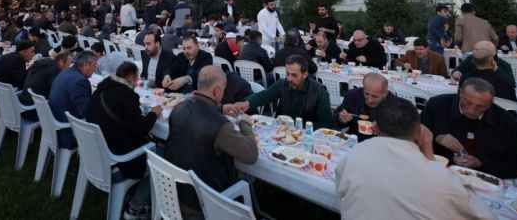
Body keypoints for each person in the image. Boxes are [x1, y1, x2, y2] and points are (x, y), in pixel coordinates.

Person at [336, 97, 493, 220]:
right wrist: (428, 151)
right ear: (420, 132)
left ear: (374, 128)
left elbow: (341, 192)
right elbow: (483, 215)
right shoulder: (441, 179)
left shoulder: (354, 154)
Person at [164, 66, 258, 218]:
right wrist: (244, 122)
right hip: (204, 202)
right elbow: (251, 155)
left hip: (173, 191)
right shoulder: (221, 126)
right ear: (217, 91)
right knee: (245, 177)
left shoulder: (178, 107)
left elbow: (199, 110)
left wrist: (220, 108)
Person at [86, 62, 161, 219]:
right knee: (161, 155)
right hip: (118, 159)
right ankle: (136, 205)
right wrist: (154, 113)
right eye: (136, 80)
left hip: (97, 151)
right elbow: (141, 129)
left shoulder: (102, 88)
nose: (136, 84)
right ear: (132, 78)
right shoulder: (127, 96)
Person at [421, 77, 517, 179]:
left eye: (480, 107)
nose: (471, 110)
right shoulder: (437, 106)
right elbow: (412, 144)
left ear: (490, 104)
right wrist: (435, 138)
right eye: (467, 103)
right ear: (460, 93)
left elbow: (516, 168)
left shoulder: (506, 121)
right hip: (439, 174)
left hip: (484, 181)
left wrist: (480, 164)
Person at [235, 55, 334, 128]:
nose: (289, 78)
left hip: (306, 135)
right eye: (287, 74)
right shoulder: (283, 84)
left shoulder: (319, 92)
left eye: (294, 75)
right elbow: (264, 96)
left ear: (305, 74)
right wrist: (246, 103)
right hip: (281, 130)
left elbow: (326, 123)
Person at [48, 51, 99, 149]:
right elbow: (86, 112)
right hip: (66, 130)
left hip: (55, 121)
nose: (95, 68)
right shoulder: (80, 81)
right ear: (86, 65)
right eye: (94, 65)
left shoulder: (66, 72)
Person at [335, 73, 396, 141]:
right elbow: (335, 119)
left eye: (374, 96)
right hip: (355, 140)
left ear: (384, 94)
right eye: (366, 94)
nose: (369, 100)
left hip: (380, 143)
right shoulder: (353, 95)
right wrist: (341, 119)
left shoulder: (392, 104)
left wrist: (382, 131)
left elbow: (399, 135)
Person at [452, 41, 517, 101]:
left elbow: (512, 83)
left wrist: (497, 70)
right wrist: (455, 72)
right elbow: (512, 97)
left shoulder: (503, 66)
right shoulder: (470, 60)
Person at [18, 50, 72, 120]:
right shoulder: (55, 71)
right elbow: (57, 94)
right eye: (68, 65)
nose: (68, 68)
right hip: (34, 110)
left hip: (23, 103)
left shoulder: (44, 62)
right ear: (61, 62)